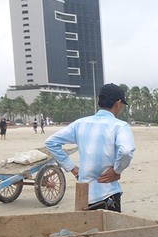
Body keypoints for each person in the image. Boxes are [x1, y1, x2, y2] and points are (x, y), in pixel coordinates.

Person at [45, 83, 135, 212]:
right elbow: (126, 150)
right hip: (107, 192)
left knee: (87, 230)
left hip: (84, 194)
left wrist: (72, 168)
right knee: (109, 231)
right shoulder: (119, 126)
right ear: (118, 103)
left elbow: (51, 142)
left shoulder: (80, 123)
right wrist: (117, 170)